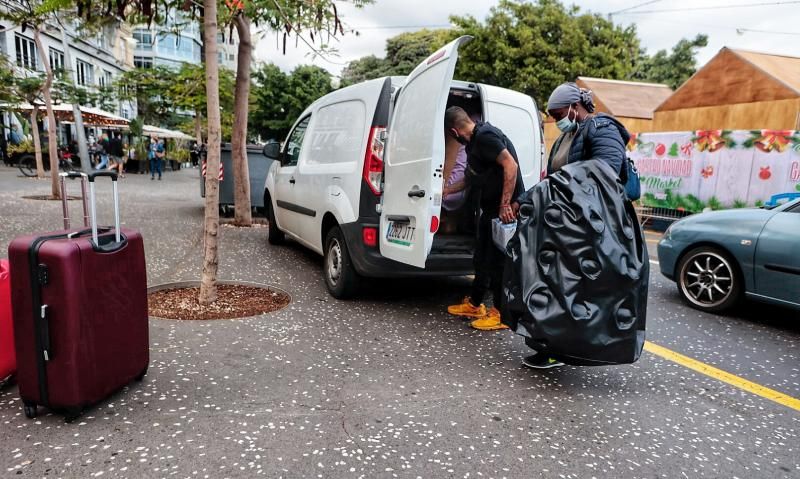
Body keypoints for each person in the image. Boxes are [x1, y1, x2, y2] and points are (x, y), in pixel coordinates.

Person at [514, 82, 631, 370]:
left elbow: (606, 171)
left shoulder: (603, 129)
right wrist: (527, 198)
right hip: (563, 223)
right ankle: (547, 345)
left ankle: (564, 349)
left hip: (588, 226)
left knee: (573, 290)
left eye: (558, 114)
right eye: (553, 116)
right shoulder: (566, 137)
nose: (557, 120)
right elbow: (552, 178)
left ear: (575, 107)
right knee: (552, 287)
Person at [444, 106, 525, 331]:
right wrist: (447, 191)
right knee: (481, 258)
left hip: (504, 211)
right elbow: (471, 177)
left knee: (498, 262)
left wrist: (505, 204)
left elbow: (511, 165)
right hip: (489, 210)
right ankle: (475, 304)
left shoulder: (486, 136)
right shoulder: (473, 143)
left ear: (453, 131)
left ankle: (500, 314)